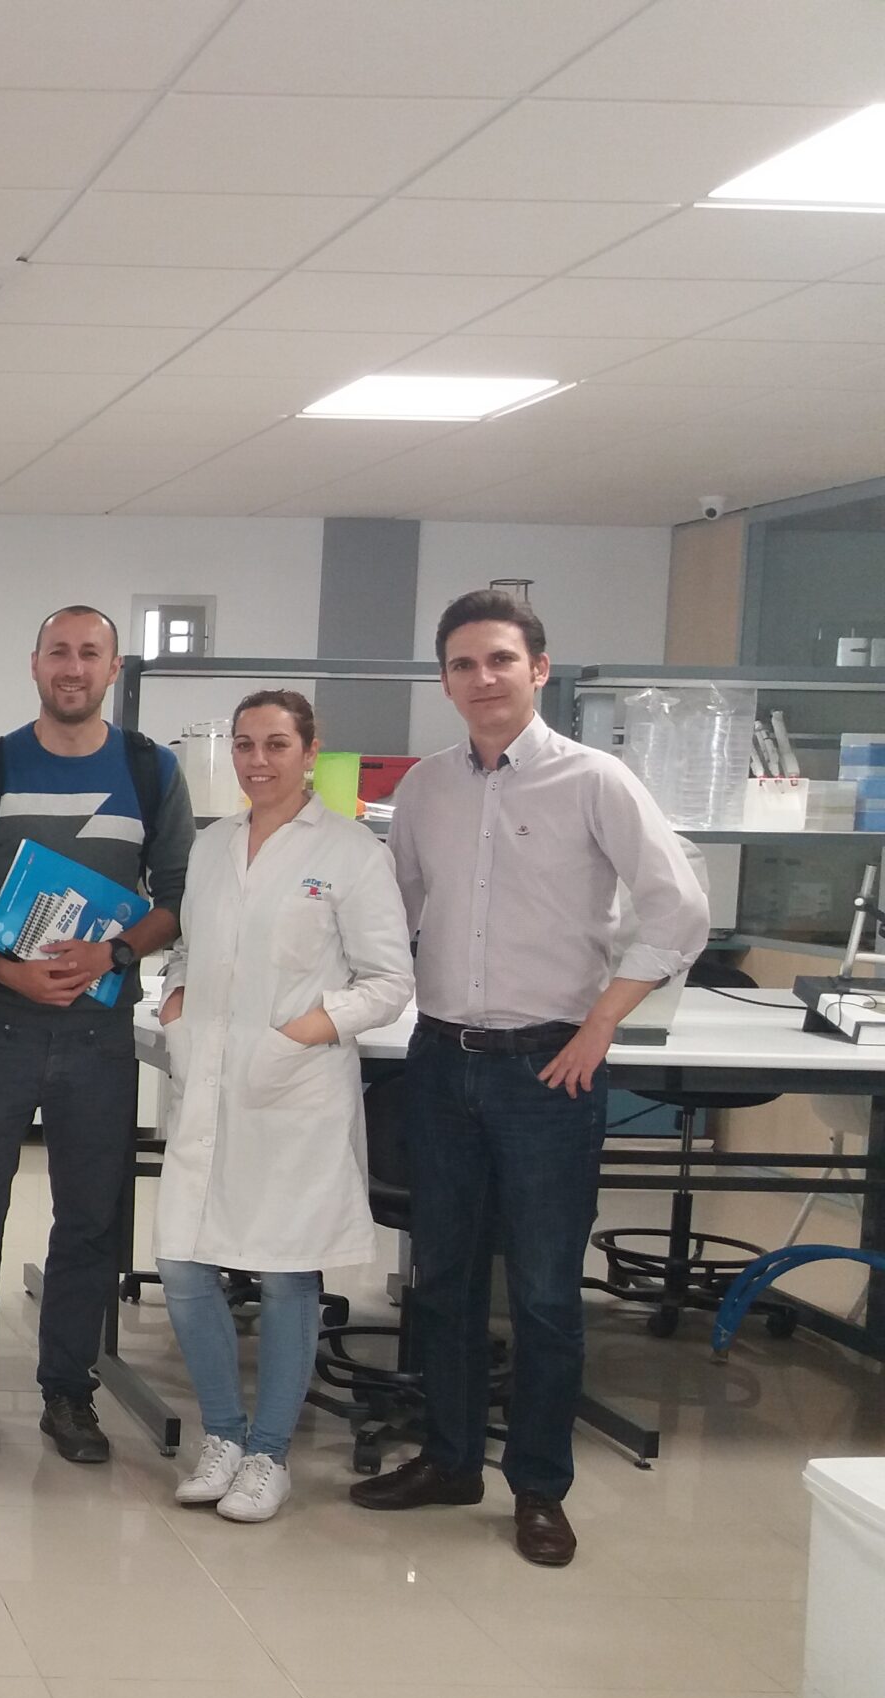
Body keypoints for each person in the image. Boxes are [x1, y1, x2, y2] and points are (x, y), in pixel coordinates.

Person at [355, 589, 705, 1566]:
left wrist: (602, 1023)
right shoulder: (425, 788)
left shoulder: (595, 781)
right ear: (444, 682)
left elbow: (678, 910)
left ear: (538, 669)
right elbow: (391, 912)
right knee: (443, 1281)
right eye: (463, 665)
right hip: (441, 1061)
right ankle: (449, 1460)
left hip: (548, 1069)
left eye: (500, 660)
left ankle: (540, 1487)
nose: (483, 679)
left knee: (546, 1292)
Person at [0, 605, 195, 1461]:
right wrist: (6, 971)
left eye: (90, 653)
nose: (73, 666)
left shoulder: (150, 769)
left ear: (113, 668)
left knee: (89, 1220)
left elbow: (180, 896)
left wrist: (114, 950)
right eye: (58, 651)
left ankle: (70, 1392)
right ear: (34, 664)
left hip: (100, 1034)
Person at [155, 691, 413, 1524]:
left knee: (285, 1272)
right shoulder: (210, 845)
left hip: (293, 1089)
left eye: (275, 744)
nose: (257, 760)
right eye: (244, 744)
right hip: (209, 1082)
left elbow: (389, 982)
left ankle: (269, 1454)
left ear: (309, 751)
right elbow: (191, 946)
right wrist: (177, 1001)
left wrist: (303, 1031)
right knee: (184, 1264)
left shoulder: (349, 852)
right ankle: (223, 1436)